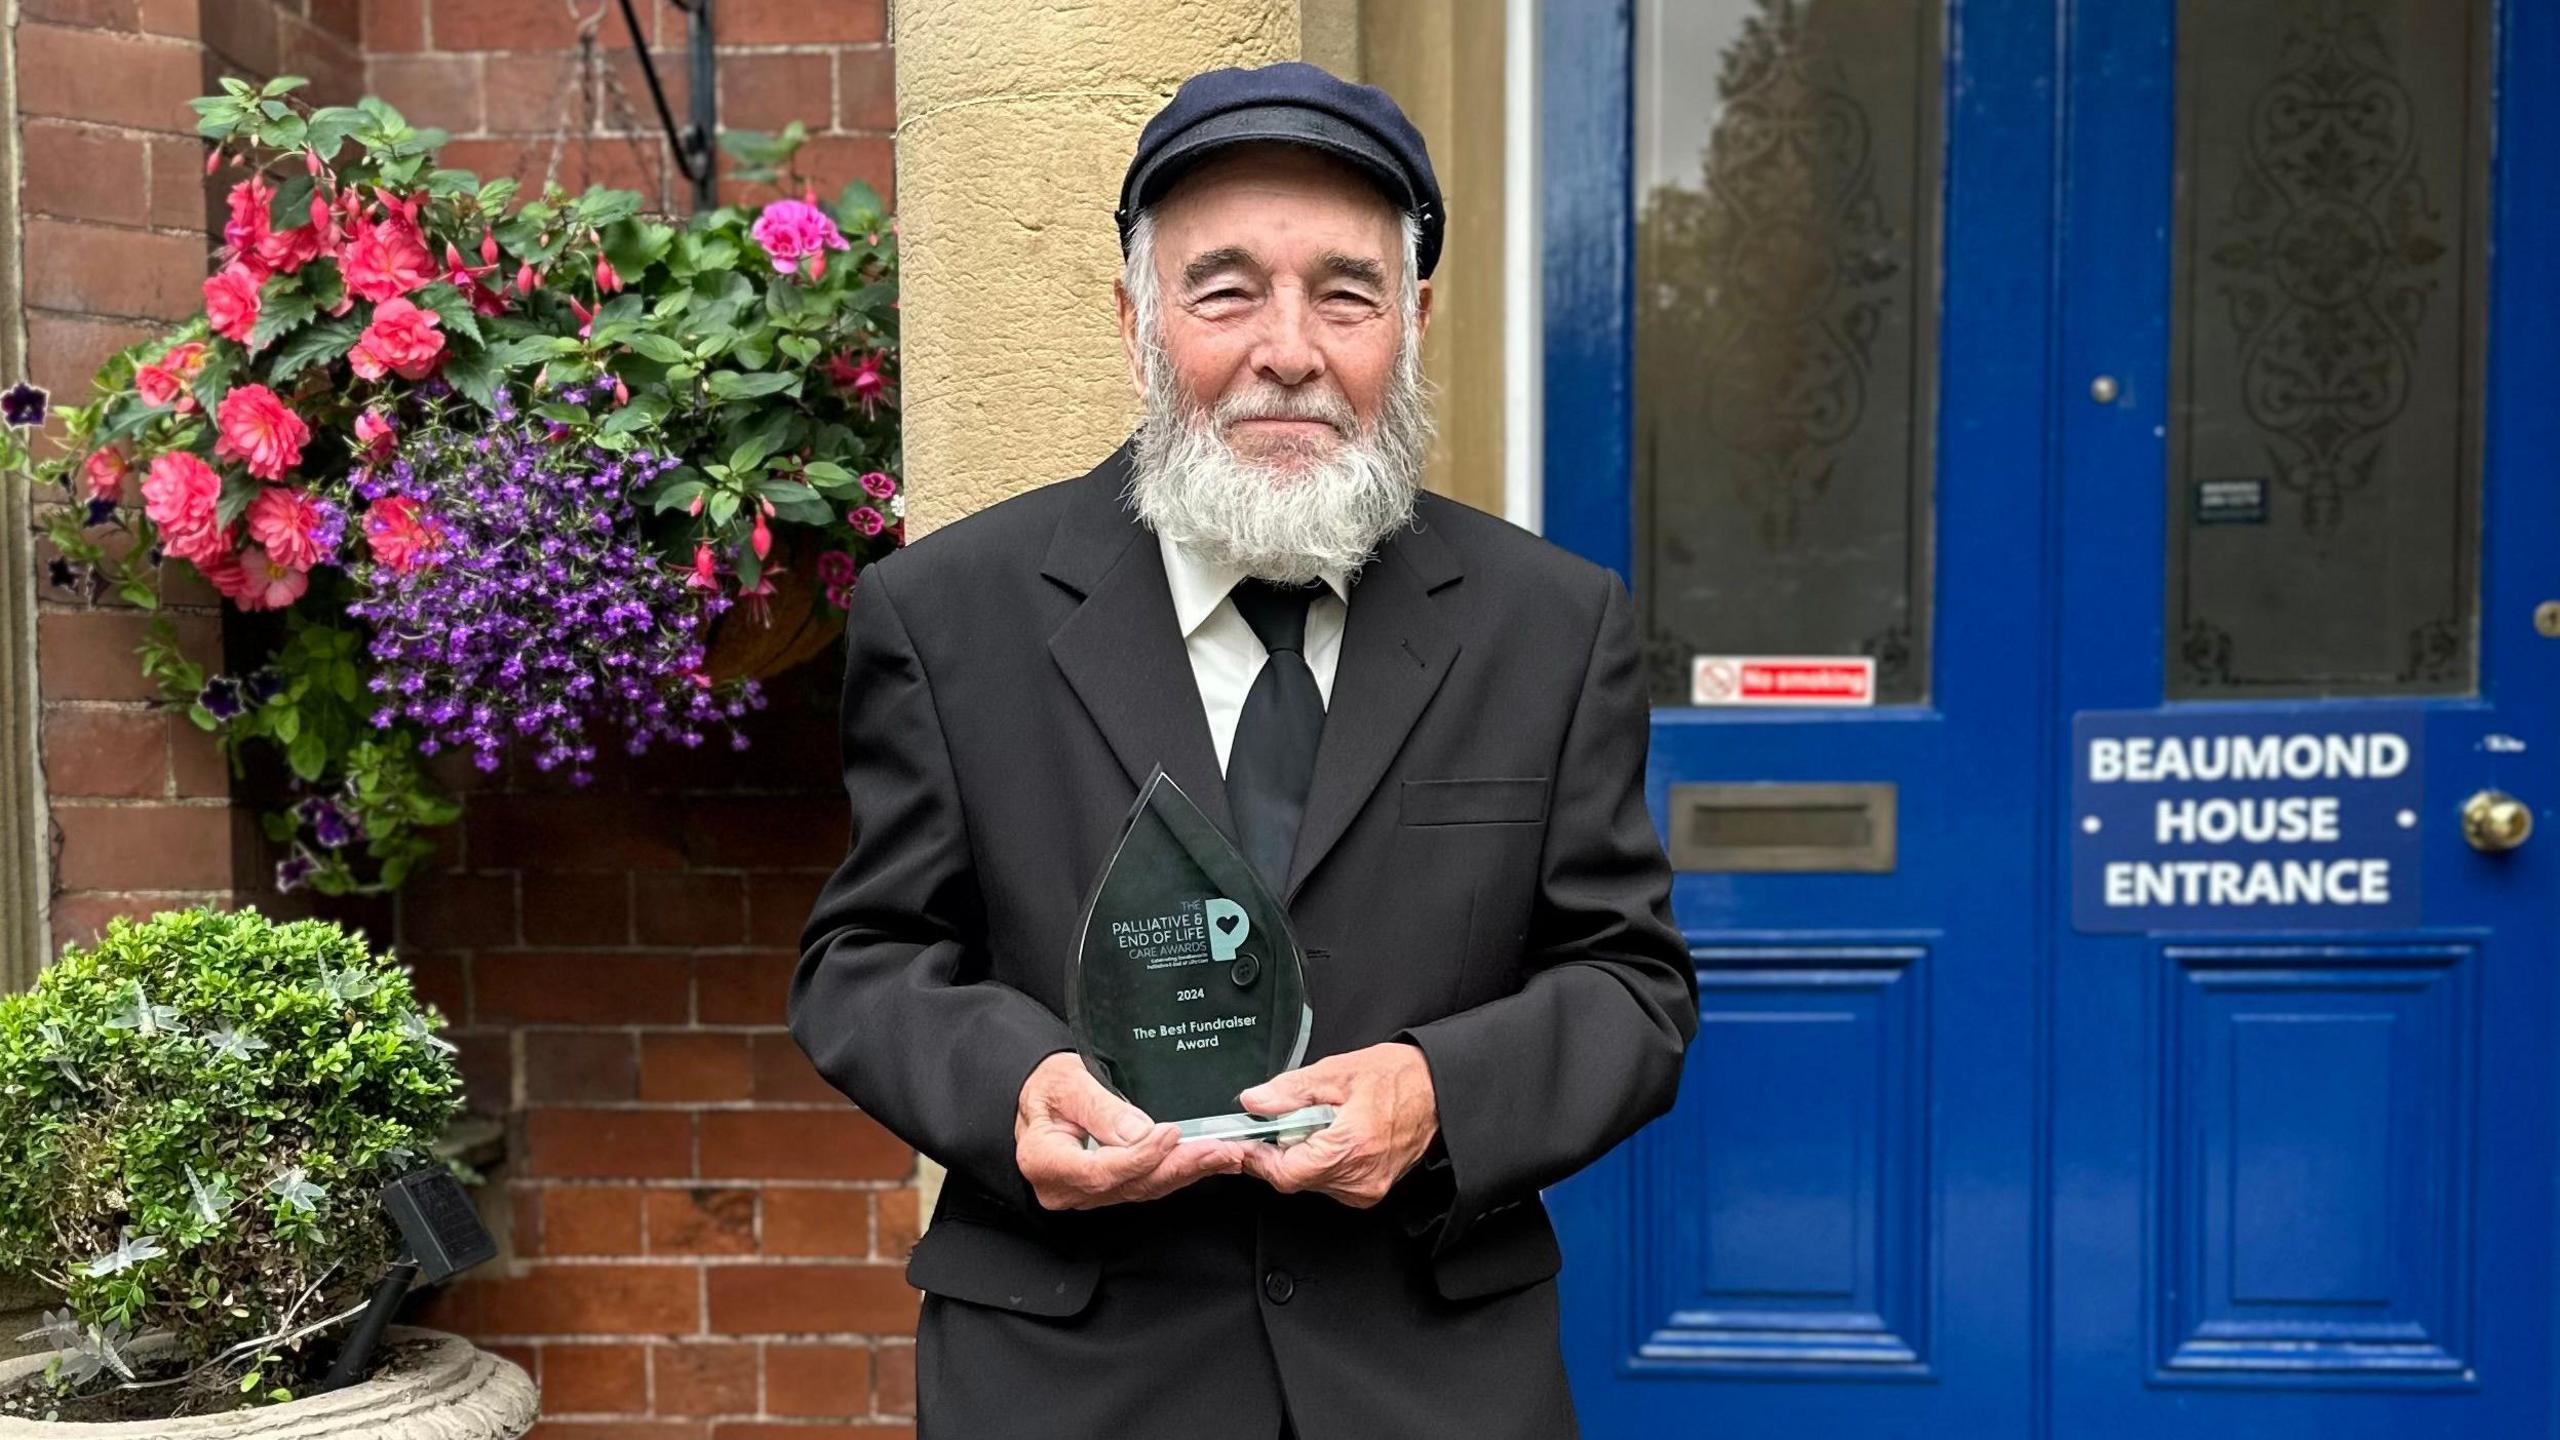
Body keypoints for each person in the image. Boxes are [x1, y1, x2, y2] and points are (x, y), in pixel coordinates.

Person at [791, 60, 1697, 1440]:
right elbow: (867, 963)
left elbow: (1631, 986)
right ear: (1137, 320)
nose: (1291, 347)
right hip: (1069, 1371)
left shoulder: (1552, 625)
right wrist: (1013, 1087)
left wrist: (1439, 1092)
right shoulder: (945, 614)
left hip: (1432, 1374)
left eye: (1347, 292)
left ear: (1415, 318)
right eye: (1226, 291)